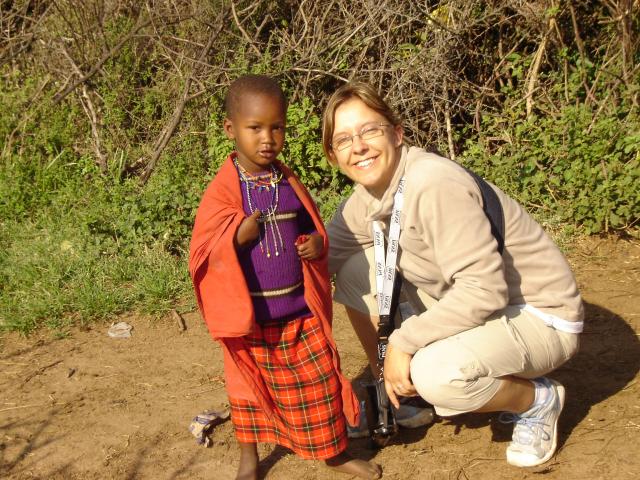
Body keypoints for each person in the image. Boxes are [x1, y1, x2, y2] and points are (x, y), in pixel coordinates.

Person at [322, 81, 584, 468]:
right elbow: (322, 258)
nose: (357, 146)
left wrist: (403, 342)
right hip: (481, 305)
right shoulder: (368, 198)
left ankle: (537, 399)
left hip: (538, 315)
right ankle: (396, 395)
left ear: (397, 133)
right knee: (355, 272)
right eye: (343, 139)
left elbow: (485, 291)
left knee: (436, 372)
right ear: (333, 154)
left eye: (370, 130)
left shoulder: (432, 183)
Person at [188, 75, 382, 480]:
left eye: (277, 127)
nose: (267, 138)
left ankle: (334, 453)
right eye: (254, 128)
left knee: (320, 383)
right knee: (247, 393)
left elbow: (312, 229)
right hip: (250, 320)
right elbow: (204, 252)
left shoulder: (289, 184)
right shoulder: (225, 192)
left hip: (298, 311)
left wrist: (315, 245)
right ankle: (250, 459)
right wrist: (235, 239)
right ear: (230, 130)